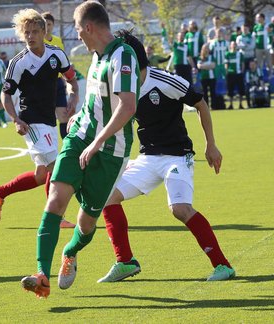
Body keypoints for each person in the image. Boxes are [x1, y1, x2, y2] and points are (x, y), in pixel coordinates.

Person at [19, 2, 139, 298]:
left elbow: (127, 105)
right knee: (55, 201)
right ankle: (41, 275)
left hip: (111, 150)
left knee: (86, 223)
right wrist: (80, 116)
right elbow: (98, 98)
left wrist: (99, 142)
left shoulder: (123, 54)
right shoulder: (96, 57)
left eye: (76, 30)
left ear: (88, 27)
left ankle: (70, 252)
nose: (76, 37)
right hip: (79, 139)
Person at [96, 30, 235, 284]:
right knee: (106, 197)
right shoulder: (120, 87)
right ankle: (125, 262)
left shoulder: (166, 81)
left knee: (180, 209)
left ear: (131, 59)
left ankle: (223, 266)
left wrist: (211, 145)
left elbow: (201, 104)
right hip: (147, 158)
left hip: (177, 156)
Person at [0, 8, 78, 232]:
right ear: (21, 33)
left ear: (44, 31)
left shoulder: (57, 55)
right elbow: (6, 94)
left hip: (48, 120)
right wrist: (15, 119)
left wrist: (73, 96)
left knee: (41, 176)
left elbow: (72, 79)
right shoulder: (18, 62)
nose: (30, 36)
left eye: (35, 31)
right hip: (31, 121)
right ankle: (55, 217)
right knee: (55, 167)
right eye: (26, 32)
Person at [42, 11, 72, 139]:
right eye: (45, 24)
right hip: (43, 84)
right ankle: (47, 147)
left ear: (53, 25)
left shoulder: (58, 41)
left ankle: (66, 146)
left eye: (49, 24)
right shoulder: (38, 41)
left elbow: (63, 62)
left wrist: (67, 79)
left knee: (63, 116)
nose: (47, 27)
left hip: (58, 82)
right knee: (46, 118)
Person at [225, 41, 245, 109]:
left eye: (235, 45)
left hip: (238, 74)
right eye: (233, 45)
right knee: (230, 90)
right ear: (230, 46)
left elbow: (242, 63)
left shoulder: (240, 54)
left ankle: (241, 104)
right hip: (230, 74)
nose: (234, 46)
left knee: (240, 90)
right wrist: (227, 71)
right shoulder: (227, 54)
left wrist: (242, 71)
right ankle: (231, 104)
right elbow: (226, 64)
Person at [198, 44, 218, 109]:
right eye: (205, 48)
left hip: (212, 77)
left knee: (213, 92)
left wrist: (204, 66)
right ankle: (206, 107)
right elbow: (199, 66)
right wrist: (208, 66)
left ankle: (214, 106)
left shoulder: (212, 57)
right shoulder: (200, 58)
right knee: (204, 93)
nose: (206, 49)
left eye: (207, 48)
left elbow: (213, 66)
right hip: (203, 78)